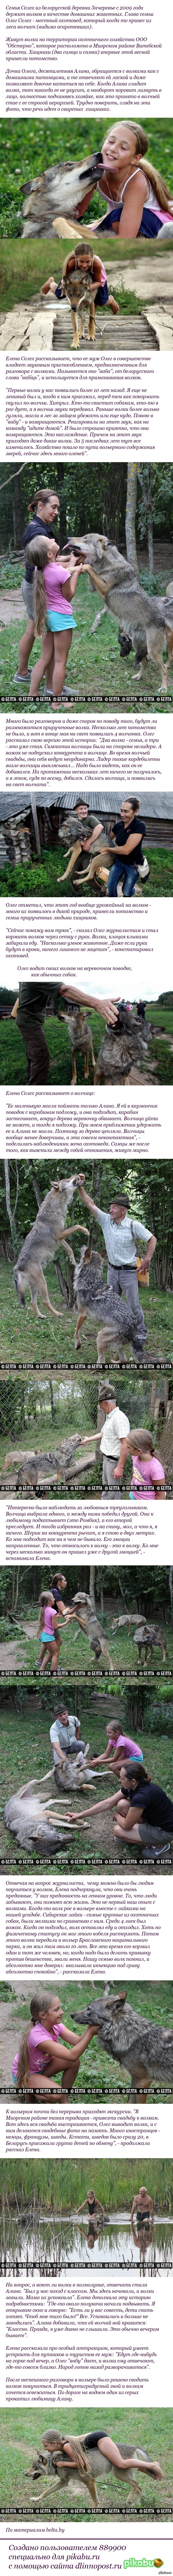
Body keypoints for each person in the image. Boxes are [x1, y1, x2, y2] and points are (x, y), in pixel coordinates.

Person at [78, 1182, 157, 1351]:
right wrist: (79, 1186)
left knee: (133, 1305)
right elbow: (90, 1204)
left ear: (124, 1210)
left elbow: (153, 1240)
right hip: (112, 1272)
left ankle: (141, 1334)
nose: (111, 1210)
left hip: (129, 1273)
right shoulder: (107, 1221)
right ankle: (118, 1332)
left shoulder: (133, 1226)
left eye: (115, 1208)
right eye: (111, 1207)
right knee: (113, 1306)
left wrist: (147, 1260)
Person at [11, 975, 117, 1083]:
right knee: (40, 1058)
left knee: (33, 1055)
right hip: (31, 1023)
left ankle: (31, 1079)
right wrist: (97, 1003)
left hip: (26, 1021)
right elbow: (66, 991)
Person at [76, 121, 173, 238]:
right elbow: (77, 212)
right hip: (121, 219)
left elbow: (126, 237)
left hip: (157, 224)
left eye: (123, 148)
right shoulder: (96, 171)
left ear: (136, 159)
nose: (113, 149)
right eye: (111, 141)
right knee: (114, 220)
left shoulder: (136, 182)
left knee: (116, 219)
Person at [24, 534, 88, 703]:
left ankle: (33, 695)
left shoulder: (39, 569)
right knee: (60, 661)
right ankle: (57, 702)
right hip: (61, 619)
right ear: (49, 555)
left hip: (45, 617)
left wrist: (73, 562)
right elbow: (69, 596)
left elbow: (59, 568)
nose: (54, 540)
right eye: (50, 542)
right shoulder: (61, 573)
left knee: (45, 658)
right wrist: (77, 573)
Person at [14, 487, 59, 688]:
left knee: (32, 628)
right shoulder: (40, 533)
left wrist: (71, 560)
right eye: (54, 507)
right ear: (40, 506)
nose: (57, 512)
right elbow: (49, 567)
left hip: (30, 585)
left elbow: (48, 561)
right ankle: (51, 687)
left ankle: (23, 673)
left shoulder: (35, 526)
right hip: (37, 589)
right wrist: (73, 567)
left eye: (58, 508)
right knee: (48, 636)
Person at [12, 1989, 96, 2098]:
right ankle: (30, 2093)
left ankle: (64, 2101)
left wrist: (91, 2024)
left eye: (60, 2008)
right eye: (57, 2010)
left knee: (74, 2063)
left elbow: (79, 2042)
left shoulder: (56, 2026)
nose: (62, 2012)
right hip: (27, 2075)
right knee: (57, 2095)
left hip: (42, 2068)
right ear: (43, 2015)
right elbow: (72, 2056)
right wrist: (91, 2032)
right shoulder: (38, 2037)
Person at [112, 1759, 173, 1853]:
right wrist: (82, 1815)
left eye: (122, 1778)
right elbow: (107, 1803)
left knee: (118, 1831)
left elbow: (126, 1827)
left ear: (133, 1781)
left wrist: (117, 1815)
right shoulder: (137, 1786)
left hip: (165, 1832)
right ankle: (140, 1836)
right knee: (122, 1804)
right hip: (153, 1820)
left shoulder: (142, 1797)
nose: (120, 1780)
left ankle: (160, 1846)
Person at [41, 249, 118, 320]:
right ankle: (51, 283)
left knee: (101, 302)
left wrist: (91, 287)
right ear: (76, 258)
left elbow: (98, 282)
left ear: (92, 259)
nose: (85, 265)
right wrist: (66, 290)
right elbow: (67, 280)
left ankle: (111, 300)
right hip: (76, 279)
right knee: (60, 295)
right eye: (81, 262)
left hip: (97, 280)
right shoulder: (72, 263)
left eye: (88, 262)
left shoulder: (97, 263)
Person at [107, 799, 147, 898]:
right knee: (111, 886)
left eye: (126, 811)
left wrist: (107, 849)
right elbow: (108, 839)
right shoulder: (119, 825)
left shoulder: (140, 825)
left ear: (136, 812)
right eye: (121, 811)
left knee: (126, 891)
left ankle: (130, 893)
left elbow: (126, 850)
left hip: (133, 865)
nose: (122, 814)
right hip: (119, 862)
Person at [112, 1428, 166, 1495]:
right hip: (134, 1496)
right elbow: (136, 1472)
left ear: (139, 1451)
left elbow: (161, 1495)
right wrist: (132, 1483)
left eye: (128, 1447)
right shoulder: (136, 1457)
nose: (126, 1448)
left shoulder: (156, 1469)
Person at [94, 1393, 130, 1491]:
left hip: (114, 1462)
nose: (100, 1408)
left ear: (107, 1404)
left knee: (113, 1491)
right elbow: (102, 1434)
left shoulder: (119, 1419)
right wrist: (88, 1439)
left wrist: (120, 1468)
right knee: (106, 1487)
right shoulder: (110, 1417)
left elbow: (126, 1444)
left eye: (101, 1405)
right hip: (106, 1459)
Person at [130, 2186, 154, 2252]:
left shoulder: (149, 2200)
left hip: (146, 2214)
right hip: (139, 2214)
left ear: (145, 2192)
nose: (141, 2193)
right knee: (139, 2225)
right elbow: (134, 2235)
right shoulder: (137, 2198)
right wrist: (131, 2217)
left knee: (146, 2222)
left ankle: (147, 2223)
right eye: (140, 2191)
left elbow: (151, 2210)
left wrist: (153, 2219)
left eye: (142, 2192)